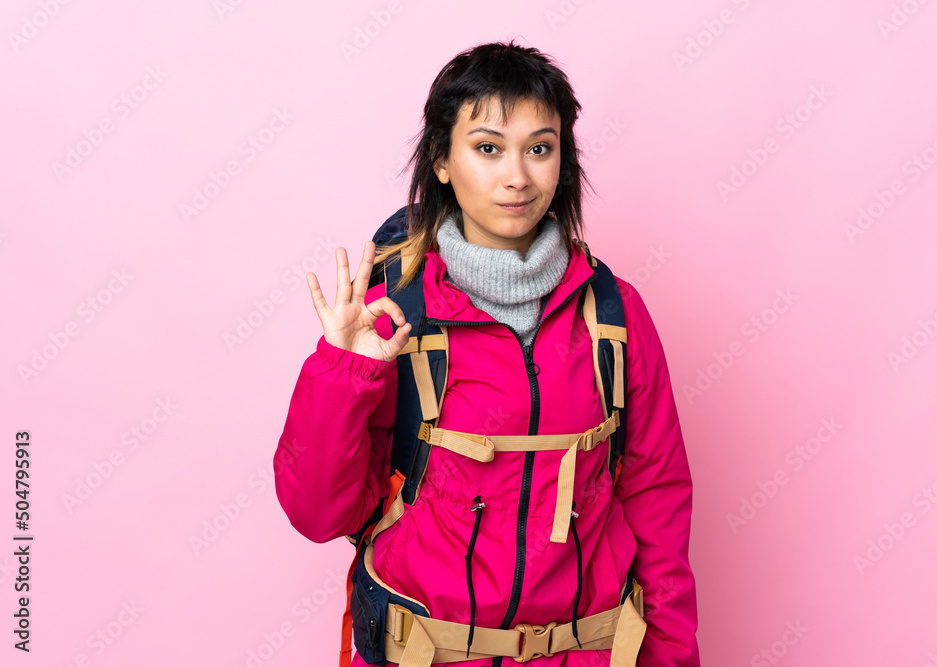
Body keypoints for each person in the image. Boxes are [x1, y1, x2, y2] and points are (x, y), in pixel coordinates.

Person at [273, 40, 699, 666]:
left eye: (540, 148)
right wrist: (346, 370)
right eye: (488, 147)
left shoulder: (616, 314)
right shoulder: (392, 313)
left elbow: (659, 504)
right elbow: (317, 512)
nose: (517, 176)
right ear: (442, 161)